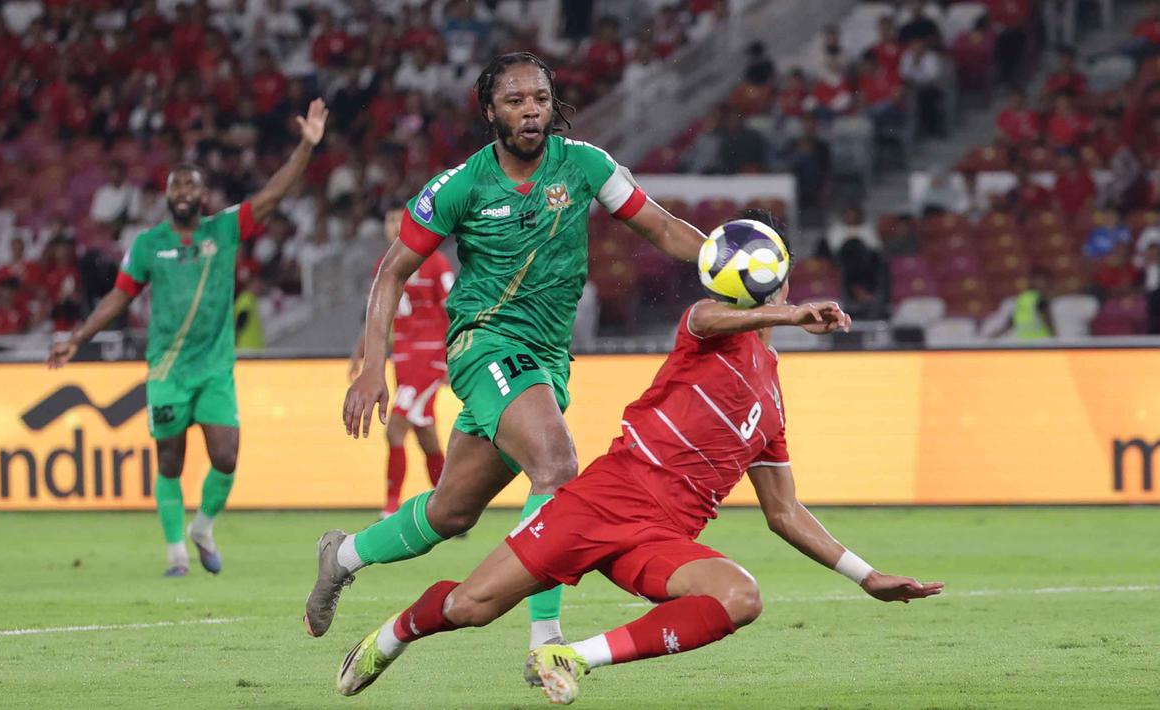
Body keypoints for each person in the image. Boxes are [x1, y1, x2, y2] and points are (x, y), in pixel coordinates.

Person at [335, 270, 943, 703]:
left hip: (657, 539)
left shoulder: (772, 406)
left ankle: (572, 656)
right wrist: (783, 314)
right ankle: (391, 636)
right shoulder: (711, 332)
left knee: (741, 597)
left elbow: (784, 512)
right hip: (601, 502)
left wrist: (867, 576)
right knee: (470, 607)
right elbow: (700, 315)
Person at [304, 53, 706, 676]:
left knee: (450, 512)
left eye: (540, 99)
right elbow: (392, 272)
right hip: (483, 344)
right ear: (490, 110)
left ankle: (345, 555)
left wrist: (727, 262)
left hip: (545, 360)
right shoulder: (461, 184)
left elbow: (659, 228)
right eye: (515, 100)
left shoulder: (586, 165)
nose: (530, 110)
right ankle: (544, 639)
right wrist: (370, 365)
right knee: (557, 463)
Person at [47, 99, 329, 576]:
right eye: (175, 184)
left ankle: (203, 526)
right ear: (166, 194)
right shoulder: (148, 244)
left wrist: (306, 145)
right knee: (171, 461)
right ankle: (176, 551)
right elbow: (119, 298)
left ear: (204, 196)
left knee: (226, 454)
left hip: (214, 368)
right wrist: (78, 338)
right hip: (167, 370)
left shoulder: (224, 228)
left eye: (191, 185)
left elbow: (272, 195)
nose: (182, 191)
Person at [348, 208, 455, 519]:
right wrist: (361, 353)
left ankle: (391, 505)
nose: (393, 225)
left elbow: (453, 308)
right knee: (426, 434)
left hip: (430, 359)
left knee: (395, 429)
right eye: (389, 220)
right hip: (404, 359)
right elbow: (379, 314)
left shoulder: (436, 262)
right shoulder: (384, 266)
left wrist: (451, 356)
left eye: (399, 219)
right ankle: (451, 507)